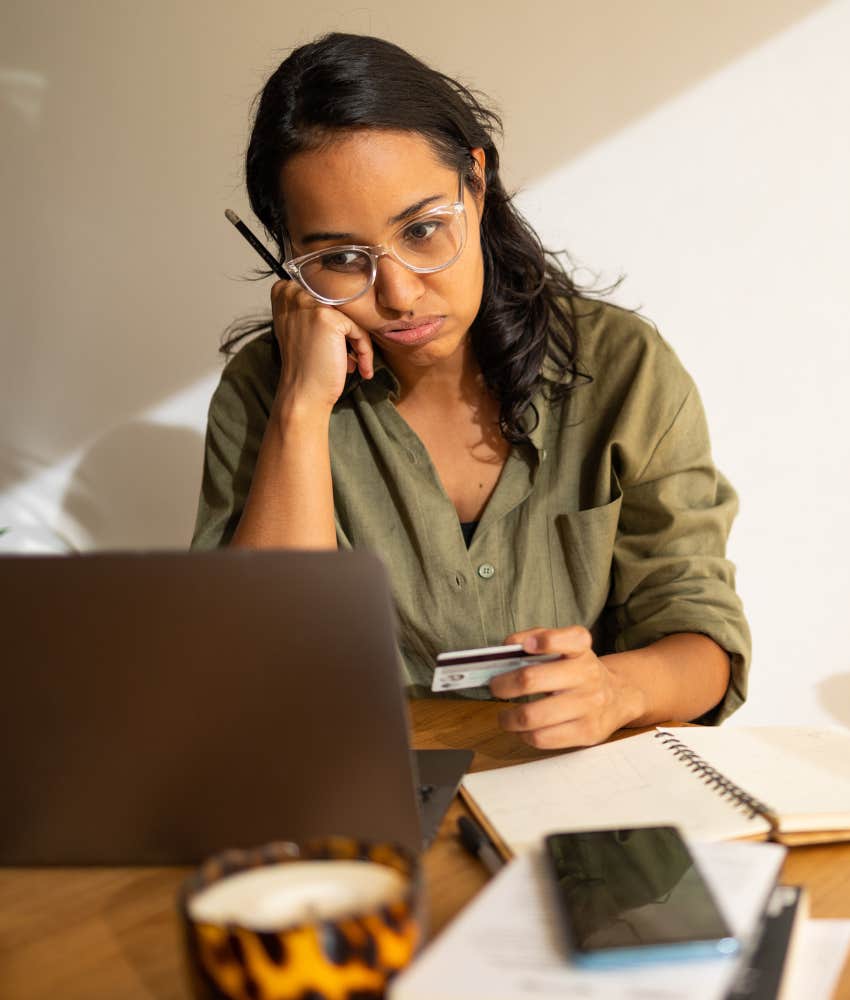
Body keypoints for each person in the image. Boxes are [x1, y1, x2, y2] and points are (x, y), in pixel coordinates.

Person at [191, 32, 751, 748]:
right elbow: (254, 674)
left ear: (476, 187)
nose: (396, 294)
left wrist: (615, 691)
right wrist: (301, 410)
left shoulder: (623, 368)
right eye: (337, 259)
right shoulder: (265, 394)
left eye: (423, 230)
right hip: (364, 800)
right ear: (288, 260)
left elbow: (703, 639)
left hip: (584, 800)